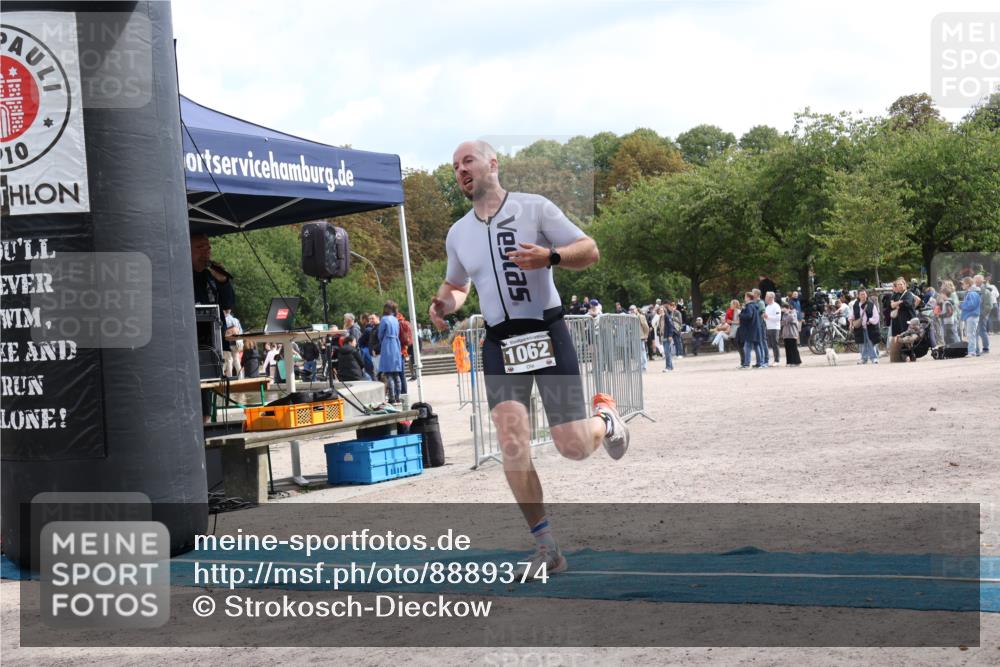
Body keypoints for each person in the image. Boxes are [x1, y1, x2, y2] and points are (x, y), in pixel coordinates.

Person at [428, 139, 629, 579]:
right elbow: (459, 284)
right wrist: (445, 302)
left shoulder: (534, 208)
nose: (461, 170)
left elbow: (589, 249)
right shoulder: (458, 232)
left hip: (546, 331)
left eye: (468, 161)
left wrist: (551, 256)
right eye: (455, 165)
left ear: (492, 164)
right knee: (512, 443)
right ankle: (547, 547)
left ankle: (606, 419)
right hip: (500, 343)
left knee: (572, 446)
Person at [191, 233, 235, 422]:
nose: (206, 252)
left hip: (214, 342)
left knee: (209, 385)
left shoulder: (211, 276)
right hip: (193, 343)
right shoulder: (182, 275)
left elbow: (229, 303)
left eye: (208, 247)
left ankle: (207, 422)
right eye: (200, 247)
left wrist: (224, 282)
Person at [378, 301, 404, 403]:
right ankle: (398, 396)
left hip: (387, 345)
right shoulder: (395, 319)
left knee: (389, 373)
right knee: (396, 374)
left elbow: (380, 334)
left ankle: (392, 397)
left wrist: (382, 341)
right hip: (396, 345)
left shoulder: (384, 319)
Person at [849, 289, 880, 365]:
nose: (863, 296)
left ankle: (874, 358)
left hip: (870, 327)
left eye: (864, 294)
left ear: (866, 295)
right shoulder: (855, 305)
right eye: (861, 294)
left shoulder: (871, 304)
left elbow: (876, 316)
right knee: (862, 344)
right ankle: (864, 358)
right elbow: (852, 315)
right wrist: (850, 323)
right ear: (858, 296)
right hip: (859, 327)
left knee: (871, 343)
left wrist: (870, 320)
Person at [738, 292, 764, 368]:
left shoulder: (749, 306)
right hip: (756, 328)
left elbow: (749, 316)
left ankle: (746, 364)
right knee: (756, 345)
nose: (744, 298)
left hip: (750, 329)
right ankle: (759, 363)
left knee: (747, 346)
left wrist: (740, 314)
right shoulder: (755, 305)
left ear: (748, 298)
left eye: (745, 297)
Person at [959, 277, 982, 357]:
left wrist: (961, 305)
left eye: (963, 283)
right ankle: (974, 351)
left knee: (970, 334)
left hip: (971, 316)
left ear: (968, 284)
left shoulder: (972, 293)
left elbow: (972, 305)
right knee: (971, 334)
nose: (962, 285)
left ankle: (972, 352)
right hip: (971, 316)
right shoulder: (972, 292)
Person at [889, 277, 917, 341]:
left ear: (905, 285)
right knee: (901, 339)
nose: (899, 286)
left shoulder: (908, 294)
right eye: (898, 285)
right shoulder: (896, 295)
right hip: (900, 321)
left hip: (909, 320)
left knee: (908, 339)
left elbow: (907, 303)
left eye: (901, 284)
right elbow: (892, 305)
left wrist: (898, 303)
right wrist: (900, 302)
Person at [974, 275, 993, 354]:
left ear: (979, 281)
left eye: (975, 281)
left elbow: (989, 305)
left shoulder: (985, 291)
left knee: (982, 331)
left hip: (981, 315)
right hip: (977, 314)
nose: (974, 282)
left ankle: (986, 348)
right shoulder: (977, 290)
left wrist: (983, 314)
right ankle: (977, 349)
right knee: (977, 332)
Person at [763, 292, 781, 366]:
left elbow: (778, 318)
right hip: (768, 327)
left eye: (766, 297)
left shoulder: (776, 306)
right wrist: (764, 318)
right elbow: (766, 318)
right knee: (770, 345)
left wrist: (768, 317)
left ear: (771, 297)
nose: (765, 298)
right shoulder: (767, 307)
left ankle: (777, 360)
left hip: (775, 327)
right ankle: (770, 360)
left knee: (775, 344)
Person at [658, 305, 675, 371]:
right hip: (663, 336)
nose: (660, 311)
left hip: (668, 336)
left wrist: (670, 335)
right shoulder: (660, 317)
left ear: (664, 310)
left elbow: (670, 326)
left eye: (662, 310)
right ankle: (671, 366)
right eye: (659, 310)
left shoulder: (667, 317)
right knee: (667, 352)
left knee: (667, 352)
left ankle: (668, 367)